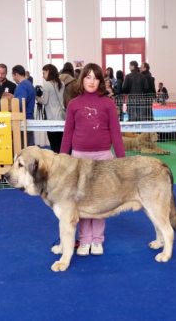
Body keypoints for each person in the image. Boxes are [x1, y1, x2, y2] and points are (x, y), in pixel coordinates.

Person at [60, 63, 125, 256]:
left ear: (101, 81)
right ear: (82, 80)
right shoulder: (74, 104)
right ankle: (84, 239)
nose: (91, 81)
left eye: (95, 78)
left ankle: (97, 240)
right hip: (78, 159)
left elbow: (115, 132)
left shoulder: (108, 104)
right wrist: (63, 157)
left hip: (103, 158)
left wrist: (121, 160)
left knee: (99, 200)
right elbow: (68, 132)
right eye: (88, 77)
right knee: (80, 200)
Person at [37, 64, 66, 152]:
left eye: (44, 73)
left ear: (49, 72)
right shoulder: (62, 83)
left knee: (54, 145)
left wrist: (37, 97)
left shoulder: (47, 85)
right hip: (61, 118)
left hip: (51, 119)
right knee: (61, 144)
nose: (43, 76)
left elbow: (44, 101)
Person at [5, 65, 35, 146]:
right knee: (29, 145)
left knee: (23, 146)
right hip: (29, 117)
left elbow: (19, 104)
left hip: (23, 120)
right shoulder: (29, 84)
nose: (13, 78)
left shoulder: (21, 86)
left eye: (13, 76)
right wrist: (13, 97)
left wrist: (9, 108)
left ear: (16, 74)